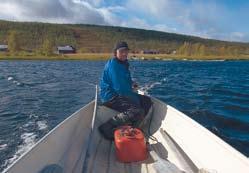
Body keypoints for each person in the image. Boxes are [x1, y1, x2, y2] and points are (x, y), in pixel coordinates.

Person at [98, 41, 152, 140]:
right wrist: (136, 100)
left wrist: (131, 83)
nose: (124, 53)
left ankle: (133, 127)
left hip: (120, 93)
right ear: (115, 52)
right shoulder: (113, 66)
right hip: (110, 96)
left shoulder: (123, 63)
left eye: (126, 51)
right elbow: (120, 89)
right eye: (121, 51)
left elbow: (125, 79)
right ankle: (107, 127)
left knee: (147, 101)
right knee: (137, 110)